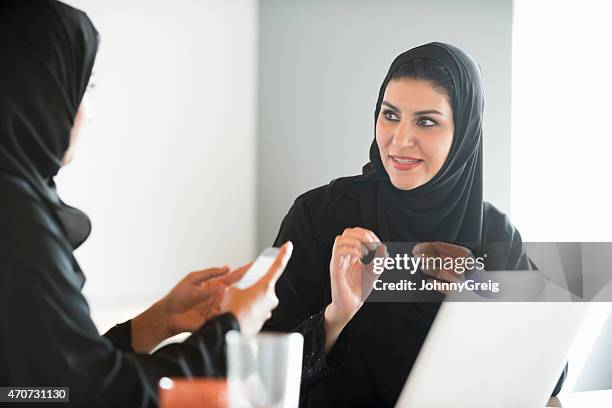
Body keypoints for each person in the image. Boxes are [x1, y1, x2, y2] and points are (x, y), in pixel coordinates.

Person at [0, 1, 292, 406]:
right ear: (40, 89)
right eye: (85, 85)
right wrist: (233, 328)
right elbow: (97, 398)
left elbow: (50, 383)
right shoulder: (17, 221)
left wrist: (157, 321)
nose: (87, 112)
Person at [264, 42, 567, 407]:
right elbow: (262, 374)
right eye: (390, 115)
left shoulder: (494, 233)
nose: (400, 140)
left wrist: (487, 295)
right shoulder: (320, 215)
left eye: (426, 121)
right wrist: (336, 316)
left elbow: (551, 375)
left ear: (464, 134)